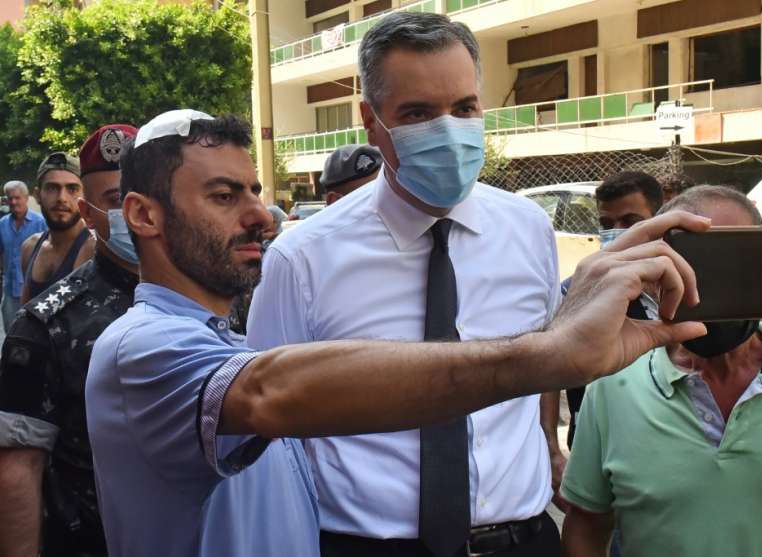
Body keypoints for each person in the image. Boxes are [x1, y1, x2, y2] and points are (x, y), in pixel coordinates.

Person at [84, 108, 707, 557]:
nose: (259, 216)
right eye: (224, 197)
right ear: (143, 214)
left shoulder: (221, 339)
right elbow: (271, 391)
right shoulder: (142, 347)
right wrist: (548, 353)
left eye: (254, 191)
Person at [249, 13, 570, 556]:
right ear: (370, 121)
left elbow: (541, 364)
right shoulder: (302, 259)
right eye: (418, 113)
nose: (449, 132)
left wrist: (548, 447)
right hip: (367, 545)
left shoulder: (528, 229)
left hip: (522, 540)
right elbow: (266, 420)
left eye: (464, 108)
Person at [560, 185, 762, 557]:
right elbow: (586, 527)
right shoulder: (612, 388)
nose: (714, 284)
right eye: (698, 263)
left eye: (737, 261)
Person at [0, 124, 139, 557]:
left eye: (69, 187)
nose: (60, 198)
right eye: (114, 200)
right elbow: (18, 466)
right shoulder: (37, 262)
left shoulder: (213, 289)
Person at [561, 171, 664, 449]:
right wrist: (550, 441)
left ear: (658, 220)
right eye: (606, 224)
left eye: (630, 221)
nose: (617, 231)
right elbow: (551, 372)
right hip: (595, 440)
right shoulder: (577, 291)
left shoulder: (683, 289)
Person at [20, 152, 95, 304]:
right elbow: (24, 311)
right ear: (37, 195)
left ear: (85, 196)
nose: (62, 198)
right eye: (52, 188)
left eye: (72, 189)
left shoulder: (97, 249)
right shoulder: (30, 247)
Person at [0, 180, 46, 330]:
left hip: (34, 291)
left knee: (33, 333)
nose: (13, 202)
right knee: (10, 332)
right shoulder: (2, 224)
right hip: (9, 290)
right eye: (10, 198)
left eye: (17, 197)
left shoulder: (41, 223)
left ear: (26, 198)